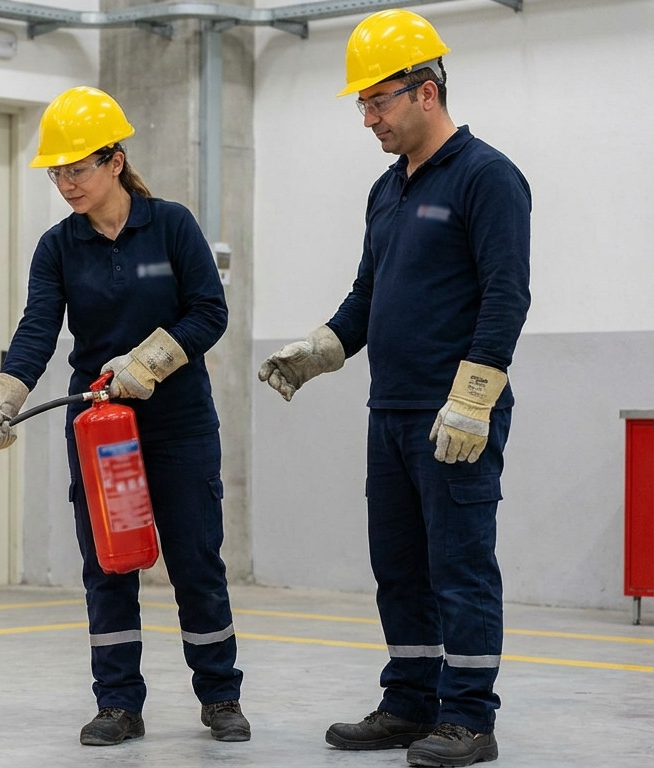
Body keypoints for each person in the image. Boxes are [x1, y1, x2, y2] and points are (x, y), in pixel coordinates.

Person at [258, 9, 530, 768]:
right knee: (401, 566)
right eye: (362, 104)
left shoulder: (489, 177)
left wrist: (474, 398)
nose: (367, 117)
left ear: (427, 91)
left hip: (457, 416)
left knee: (461, 566)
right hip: (392, 413)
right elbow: (367, 297)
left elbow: (507, 295)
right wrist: (322, 349)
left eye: (377, 100)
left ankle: (469, 716)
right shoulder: (387, 191)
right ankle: (410, 702)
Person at [0, 85, 248, 747]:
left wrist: (148, 362)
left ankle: (220, 697)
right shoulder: (57, 248)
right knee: (110, 562)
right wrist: (1, 401)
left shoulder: (172, 225)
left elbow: (209, 313)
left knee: (195, 560)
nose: (66, 183)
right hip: (101, 428)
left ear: (115, 162)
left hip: (177, 424)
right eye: (57, 172)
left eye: (79, 169)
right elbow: (37, 331)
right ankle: (118, 703)